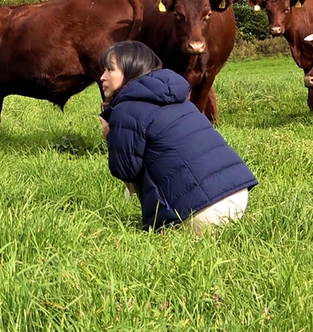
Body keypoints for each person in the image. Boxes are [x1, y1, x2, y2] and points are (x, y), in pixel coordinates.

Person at [98, 40, 258, 232]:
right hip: (238, 196)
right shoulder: (177, 98)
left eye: (109, 70)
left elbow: (125, 170)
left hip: (204, 211)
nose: (102, 77)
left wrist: (111, 137)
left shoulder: (126, 109)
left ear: (131, 69)